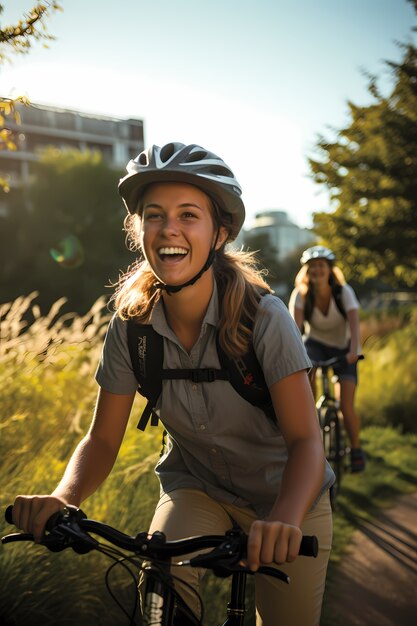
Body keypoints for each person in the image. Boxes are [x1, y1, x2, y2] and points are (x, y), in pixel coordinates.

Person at [11, 142, 334, 626]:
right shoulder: (131, 327)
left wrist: (286, 517)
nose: (169, 229)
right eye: (154, 215)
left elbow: (307, 440)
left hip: (287, 495)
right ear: (138, 228)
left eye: (189, 215)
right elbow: (102, 439)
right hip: (196, 488)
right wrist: (63, 497)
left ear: (219, 232)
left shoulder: (263, 318)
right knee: (161, 581)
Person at [289, 245, 366, 473]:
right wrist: (294, 359)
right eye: (312, 267)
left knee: (346, 405)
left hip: (344, 347)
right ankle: (311, 434)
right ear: (306, 271)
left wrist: (354, 351)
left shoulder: (344, 292)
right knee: (306, 379)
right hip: (316, 346)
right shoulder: (300, 295)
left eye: (321, 266)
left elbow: (354, 325)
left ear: (330, 270)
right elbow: (295, 331)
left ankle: (356, 449)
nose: (317, 271)